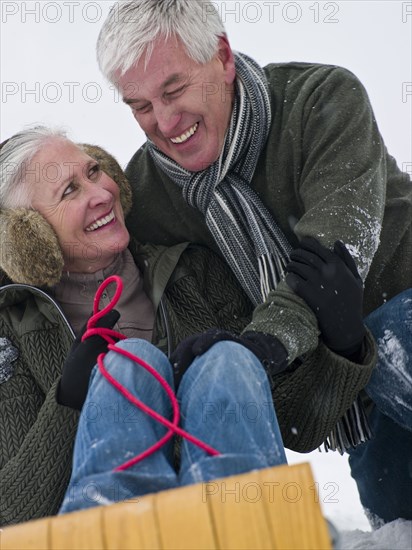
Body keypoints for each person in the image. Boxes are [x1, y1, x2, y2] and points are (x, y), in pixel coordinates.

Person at [96, 0, 412, 528]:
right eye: (140, 105)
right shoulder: (152, 195)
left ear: (221, 56)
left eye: (174, 90)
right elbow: (92, 253)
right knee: (399, 525)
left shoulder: (323, 99)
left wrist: (262, 344)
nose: (164, 121)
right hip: (353, 382)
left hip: (403, 317)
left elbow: (338, 245)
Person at [0, 126, 374, 523]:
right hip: (109, 530)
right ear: (28, 236)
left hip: (220, 520)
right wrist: (69, 402)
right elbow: (11, 512)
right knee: (128, 365)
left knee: (226, 358)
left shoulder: (193, 272)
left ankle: (252, 524)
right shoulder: (9, 335)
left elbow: (292, 422)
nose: (101, 194)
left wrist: (342, 342)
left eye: (94, 172)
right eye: (69, 191)